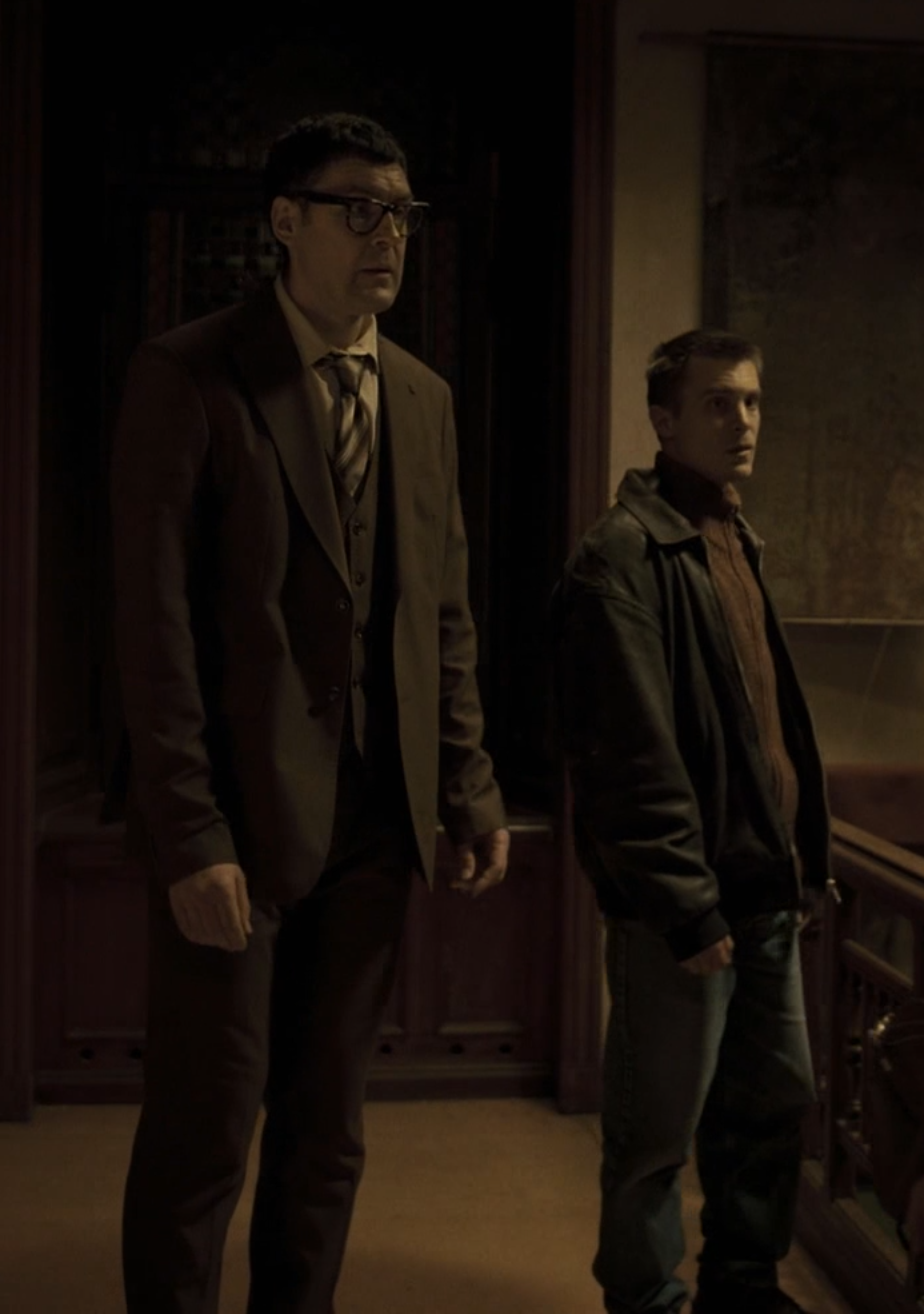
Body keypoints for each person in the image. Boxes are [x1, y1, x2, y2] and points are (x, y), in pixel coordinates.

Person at [110, 111, 509, 1314]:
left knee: (328, 1132)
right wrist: (190, 835)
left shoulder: (422, 396)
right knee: (205, 1131)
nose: (389, 236)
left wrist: (467, 783)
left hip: (376, 823)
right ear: (285, 221)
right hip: (237, 820)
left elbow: (442, 611)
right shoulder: (191, 372)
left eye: (403, 214)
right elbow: (153, 629)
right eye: (359, 210)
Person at [555, 329, 830, 1314]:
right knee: (656, 1134)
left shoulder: (731, 535)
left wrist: (801, 864)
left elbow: (766, 727)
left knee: (769, 1110)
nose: (742, 421)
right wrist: (684, 902)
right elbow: (627, 756)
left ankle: (742, 1288)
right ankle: (645, 1302)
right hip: (686, 905)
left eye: (751, 402)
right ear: (664, 422)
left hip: (763, 886)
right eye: (718, 403)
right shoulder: (622, 556)